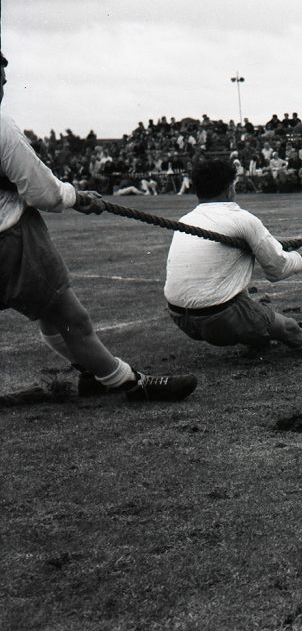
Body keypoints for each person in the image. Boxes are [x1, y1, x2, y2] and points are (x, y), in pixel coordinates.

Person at [0, 52, 196, 401]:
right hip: (11, 239)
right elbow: (42, 192)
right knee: (69, 316)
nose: (2, 84)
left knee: (51, 315)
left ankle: (93, 372)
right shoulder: (2, 125)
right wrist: (76, 198)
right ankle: (127, 382)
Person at [164, 159, 302, 351]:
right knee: (289, 329)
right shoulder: (242, 219)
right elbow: (277, 269)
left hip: (180, 318)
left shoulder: (186, 220)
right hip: (219, 318)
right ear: (230, 188)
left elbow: (243, 241)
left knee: (241, 298)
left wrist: (289, 241)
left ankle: (255, 336)